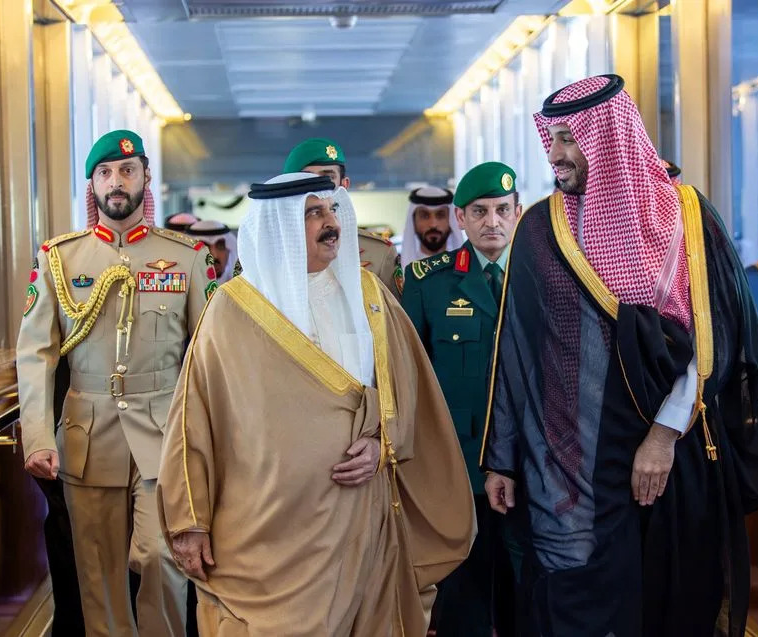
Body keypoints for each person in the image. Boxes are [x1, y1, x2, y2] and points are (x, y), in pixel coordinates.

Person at [481, 74, 758, 637]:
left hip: (677, 444)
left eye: (570, 139)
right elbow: (520, 351)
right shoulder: (540, 229)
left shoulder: (688, 217)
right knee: (583, 600)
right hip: (575, 461)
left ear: (609, 138)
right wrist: (502, 456)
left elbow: (715, 335)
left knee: (677, 596)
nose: (555, 155)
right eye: (552, 139)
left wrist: (663, 436)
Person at [157, 172, 475, 636]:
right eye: (313, 213)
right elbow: (193, 421)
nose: (331, 223)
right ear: (281, 225)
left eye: (332, 210)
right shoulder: (231, 310)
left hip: (359, 521)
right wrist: (189, 519)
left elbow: (408, 392)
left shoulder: (368, 296)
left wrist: (382, 443)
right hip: (265, 537)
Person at [17, 129, 217, 637]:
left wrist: (213, 442)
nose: (116, 182)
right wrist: (37, 437)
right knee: (99, 577)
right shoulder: (59, 259)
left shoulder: (189, 257)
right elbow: (36, 353)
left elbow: (210, 356)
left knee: (160, 559)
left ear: (145, 177)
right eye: (105, 173)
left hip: (165, 435)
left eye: (127, 171)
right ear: (93, 186)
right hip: (87, 438)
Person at [402, 162, 520, 636]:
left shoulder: (541, 277)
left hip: (528, 466)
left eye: (502, 210)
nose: (492, 221)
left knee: (524, 599)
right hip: (457, 466)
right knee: (461, 605)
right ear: (461, 218)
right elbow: (410, 377)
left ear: (517, 213)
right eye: (479, 211)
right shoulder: (429, 281)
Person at [284, 137, 404, 298]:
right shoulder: (265, 251)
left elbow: (391, 312)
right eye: (307, 179)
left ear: (344, 185)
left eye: (327, 178)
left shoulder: (379, 253)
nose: (318, 187)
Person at [400, 186, 463, 269]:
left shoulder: (471, 267)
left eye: (440, 215)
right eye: (424, 216)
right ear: (413, 223)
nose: (433, 224)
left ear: (451, 221)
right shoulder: (399, 270)